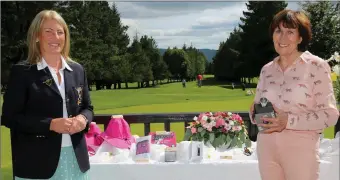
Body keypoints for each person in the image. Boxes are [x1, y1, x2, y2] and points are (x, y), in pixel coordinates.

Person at [1, 10, 93, 180]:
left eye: (60, 32)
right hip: (36, 164)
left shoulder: (78, 70)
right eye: (48, 32)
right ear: (37, 36)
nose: (55, 37)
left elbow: (88, 107)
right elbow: (9, 117)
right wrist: (50, 124)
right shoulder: (23, 72)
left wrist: (83, 119)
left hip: (76, 160)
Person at [249, 9, 339, 180]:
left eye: (290, 32)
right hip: (266, 148)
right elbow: (257, 109)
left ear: (300, 38)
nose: (282, 38)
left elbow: (330, 115)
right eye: (278, 31)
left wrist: (288, 121)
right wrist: (254, 113)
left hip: (301, 150)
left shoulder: (316, 66)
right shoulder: (266, 70)